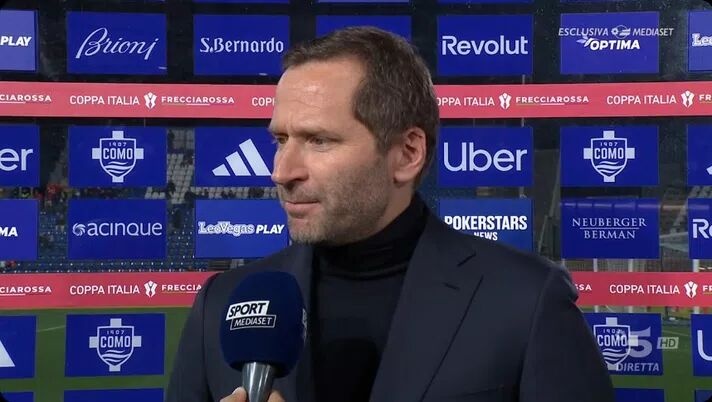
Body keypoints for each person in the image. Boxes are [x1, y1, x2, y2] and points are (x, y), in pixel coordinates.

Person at [165, 26, 615, 402]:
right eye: (281, 140)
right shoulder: (221, 304)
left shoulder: (525, 300)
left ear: (407, 153)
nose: (282, 171)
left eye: (319, 140)